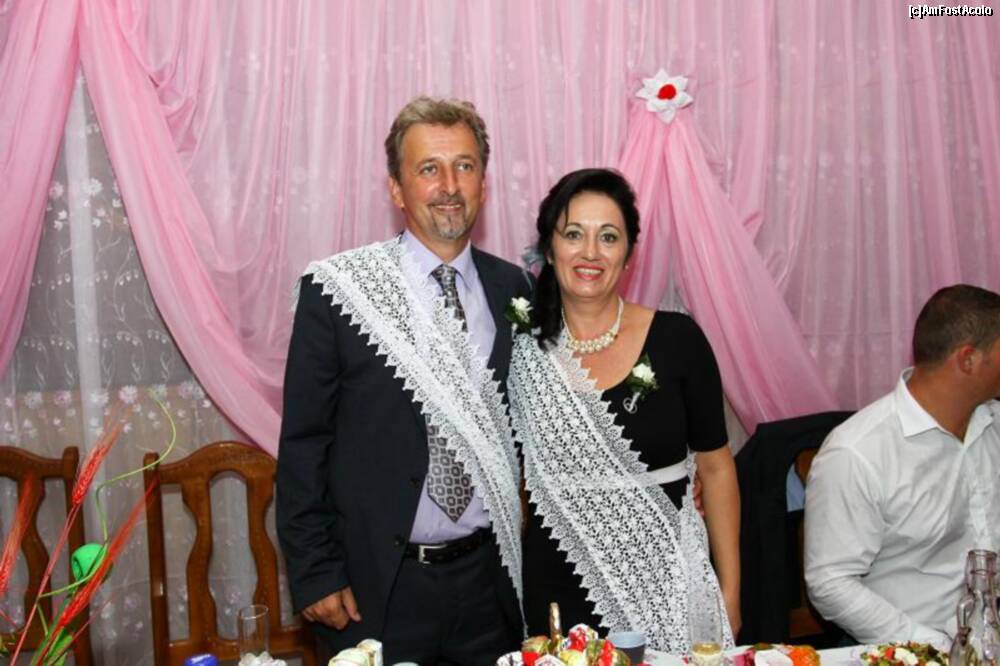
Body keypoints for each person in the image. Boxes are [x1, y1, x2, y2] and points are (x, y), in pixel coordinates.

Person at [276, 96, 531, 665]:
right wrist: (315, 572)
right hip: (377, 588)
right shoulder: (340, 292)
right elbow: (303, 443)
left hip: (489, 586)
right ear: (396, 188)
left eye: (464, 166)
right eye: (428, 169)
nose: (450, 186)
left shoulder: (515, 290)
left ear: (484, 183)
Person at [507, 168, 741, 653]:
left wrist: (731, 591)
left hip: (669, 582)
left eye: (608, 237)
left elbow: (717, 470)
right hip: (557, 584)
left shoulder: (678, 340)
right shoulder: (519, 351)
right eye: (574, 234)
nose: (590, 252)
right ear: (549, 248)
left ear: (629, 254)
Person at [805, 285, 1000, 647]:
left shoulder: (992, 422)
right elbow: (831, 582)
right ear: (968, 359)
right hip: (911, 646)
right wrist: (931, 646)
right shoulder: (858, 452)